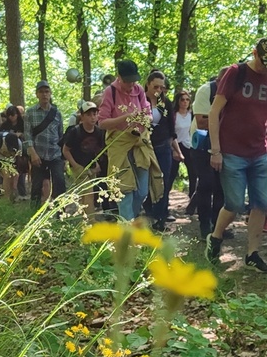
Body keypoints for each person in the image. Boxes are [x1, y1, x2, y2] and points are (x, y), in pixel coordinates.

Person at [205, 36, 267, 273]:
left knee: (261, 203)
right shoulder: (235, 73)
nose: (266, 67)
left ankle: (252, 254)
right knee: (235, 203)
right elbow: (214, 112)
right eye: (263, 61)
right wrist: (216, 150)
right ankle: (216, 237)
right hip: (231, 152)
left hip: (259, 152)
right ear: (255, 53)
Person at [98, 60, 163, 221]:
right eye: (128, 81)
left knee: (142, 191)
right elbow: (102, 122)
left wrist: (144, 118)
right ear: (119, 76)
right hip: (119, 143)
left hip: (139, 141)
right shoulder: (110, 92)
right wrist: (125, 117)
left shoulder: (139, 90)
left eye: (134, 80)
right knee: (124, 189)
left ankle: (130, 221)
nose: (131, 84)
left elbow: (148, 112)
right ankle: (127, 230)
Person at [190, 70, 227, 238]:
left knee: (221, 186)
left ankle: (217, 227)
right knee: (206, 183)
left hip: (226, 145)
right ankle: (204, 224)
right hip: (202, 144)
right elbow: (202, 121)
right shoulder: (206, 90)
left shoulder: (236, 93)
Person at [145, 71, 182, 231]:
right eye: (155, 86)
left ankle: (160, 218)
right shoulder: (140, 101)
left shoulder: (165, 103)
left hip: (163, 147)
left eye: (162, 87)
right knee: (144, 183)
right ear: (148, 85)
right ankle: (146, 209)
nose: (159, 90)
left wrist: (175, 150)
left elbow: (171, 129)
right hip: (144, 148)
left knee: (164, 182)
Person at [23, 80, 66, 208]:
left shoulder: (57, 113)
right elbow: (27, 135)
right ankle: (33, 215)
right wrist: (33, 154)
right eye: (41, 92)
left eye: (47, 91)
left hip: (55, 154)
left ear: (50, 93)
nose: (44, 94)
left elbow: (61, 136)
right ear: (37, 94)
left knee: (60, 184)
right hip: (38, 155)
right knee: (36, 186)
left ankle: (61, 214)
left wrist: (64, 159)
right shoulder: (30, 112)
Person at [61, 101, 106, 216]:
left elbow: (99, 149)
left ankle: (84, 219)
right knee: (89, 192)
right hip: (78, 166)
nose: (92, 117)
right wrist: (75, 166)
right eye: (89, 115)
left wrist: (97, 164)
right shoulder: (75, 132)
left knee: (85, 195)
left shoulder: (99, 132)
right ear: (82, 116)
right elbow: (65, 150)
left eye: (95, 114)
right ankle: (90, 221)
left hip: (91, 167)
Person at [171, 90, 196, 211]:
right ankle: (163, 202)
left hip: (188, 145)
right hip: (175, 145)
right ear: (178, 101)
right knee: (171, 175)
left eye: (187, 99)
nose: (185, 102)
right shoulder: (173, 115)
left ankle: (192, 203)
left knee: (193, 174)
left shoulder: (192, 115)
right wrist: (173, 149)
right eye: (182, 99)